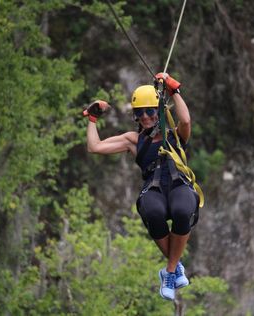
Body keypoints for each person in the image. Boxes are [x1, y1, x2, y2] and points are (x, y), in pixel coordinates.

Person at [84, 73, 200, 301]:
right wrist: (92, 119)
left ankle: (169, 271)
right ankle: (174, 268)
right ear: (135, 117)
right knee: (153, 212)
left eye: (149, 111)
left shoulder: (174, 135)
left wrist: (174, 91)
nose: (145, 117)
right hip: (154, 187)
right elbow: (94, 147)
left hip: (178, 184)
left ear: (159, 111)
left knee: (182, 210)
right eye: (139, 113)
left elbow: (185, 121)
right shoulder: (134, 140)